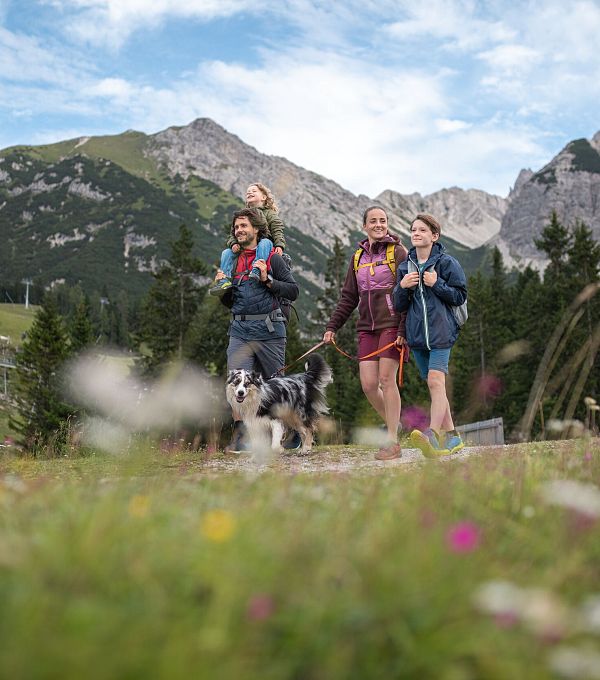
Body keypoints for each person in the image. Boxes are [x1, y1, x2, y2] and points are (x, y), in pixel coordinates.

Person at [322, 206, 408, 461]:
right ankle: (395, 424)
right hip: (366, 328)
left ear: (388, 224)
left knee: (385, 380)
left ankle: (392, 440)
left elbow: (407, 295)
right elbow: (348, 298)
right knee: (369, 385)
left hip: (392, 325)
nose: (379, 225)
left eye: (383, 220)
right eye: (373, 221)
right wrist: (331, 327)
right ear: (364, 226)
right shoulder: (357, 258)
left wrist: (403, 328)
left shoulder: (398, 252)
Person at [216, 208, 299, 453]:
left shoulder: (273, 258)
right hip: (240, 329)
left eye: (243, 226)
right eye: (236, 227)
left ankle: (290, 430)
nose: (239, 230)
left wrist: (267, 280)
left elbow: (293, 290)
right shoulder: (232, 260)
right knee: (236, 381)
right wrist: (223, 288)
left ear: (256, 229)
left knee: (275, 385)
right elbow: (230, 302)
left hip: (270, 330)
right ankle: (243, 435)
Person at [392, 213, 467, 457]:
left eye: (422, 230)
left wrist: (437, 284)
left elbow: (460, 296)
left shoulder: (447, 263)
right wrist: (402, 287)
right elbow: (399, 304)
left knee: (436, 382)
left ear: (434, 236)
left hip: (441, 334)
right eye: (413, 230)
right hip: (417, 337)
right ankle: (453, 437)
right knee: (436, 388)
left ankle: (432, 436)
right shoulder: (405, 267)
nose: (416, 233)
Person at [210, 182, 286, 295]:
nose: (249, 192)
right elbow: (233, 233)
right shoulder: (244, 215)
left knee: (264, 242)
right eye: (247, 192)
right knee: (226, 253)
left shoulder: (270, 214)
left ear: (264, 197)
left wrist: (279, 245)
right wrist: (233, 244)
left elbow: (277, 229)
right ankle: (225, 280)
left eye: (254, 191)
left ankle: (256, 270)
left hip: (265, 244)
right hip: (246, 245)